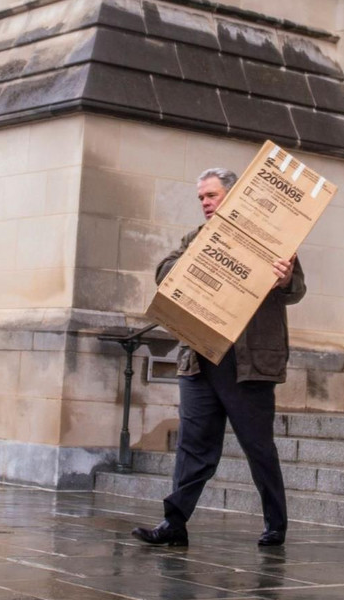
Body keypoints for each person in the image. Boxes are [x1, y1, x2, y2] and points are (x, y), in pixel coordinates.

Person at [132, 167, 305, 548]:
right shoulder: (195, 237)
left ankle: (276, 524)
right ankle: (174, 523)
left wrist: (285, 278)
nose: (205, 203)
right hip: (198, 360)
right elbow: (164, 271)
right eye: (201, 198)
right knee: (193, 446)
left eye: (211, 195)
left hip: (249, 364)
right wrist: (201, 254)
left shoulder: (270, 239)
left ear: (234, 194)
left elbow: (295, 289)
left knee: (258, 447)